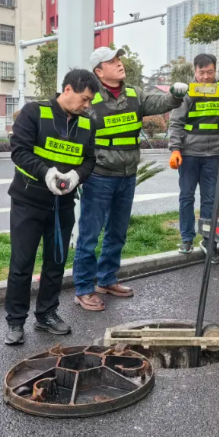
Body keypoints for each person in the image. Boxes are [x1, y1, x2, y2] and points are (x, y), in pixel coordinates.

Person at [72, 46, 188, 311]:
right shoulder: (90, 98)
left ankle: (107, 279)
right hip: (99, 175)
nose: (120, 64)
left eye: (119, 59)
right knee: (89, 235)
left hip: (127, 174)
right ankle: (83, 288)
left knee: (117, 232)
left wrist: (174, 95)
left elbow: (160, 103)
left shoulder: (134, 93)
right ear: (99, 71)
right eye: (112, 62)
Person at [3, 69, 99, 346]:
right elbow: (19, 151)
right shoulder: (35, 112)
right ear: (67, 90)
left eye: (90, 101)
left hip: (62, 204)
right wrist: (46, 173)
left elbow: (89, 160)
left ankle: (46, 314)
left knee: (56, 262)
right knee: (22, 263)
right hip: (28, 201)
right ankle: (15, 321)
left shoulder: (86, 124)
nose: (87, 105)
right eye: (84, 99)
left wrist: (76, 176)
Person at [167, 53, 219, 264]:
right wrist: (175, 149)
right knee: (187, 197)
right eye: (201, 73)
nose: (206, 77)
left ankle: (210, 241)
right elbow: (176, 123)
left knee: (211, 199)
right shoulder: (188, 92)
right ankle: (186, 239)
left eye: (210, 72)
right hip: (190, 155)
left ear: (215, 70)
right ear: (195, 71)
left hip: (214, 155)